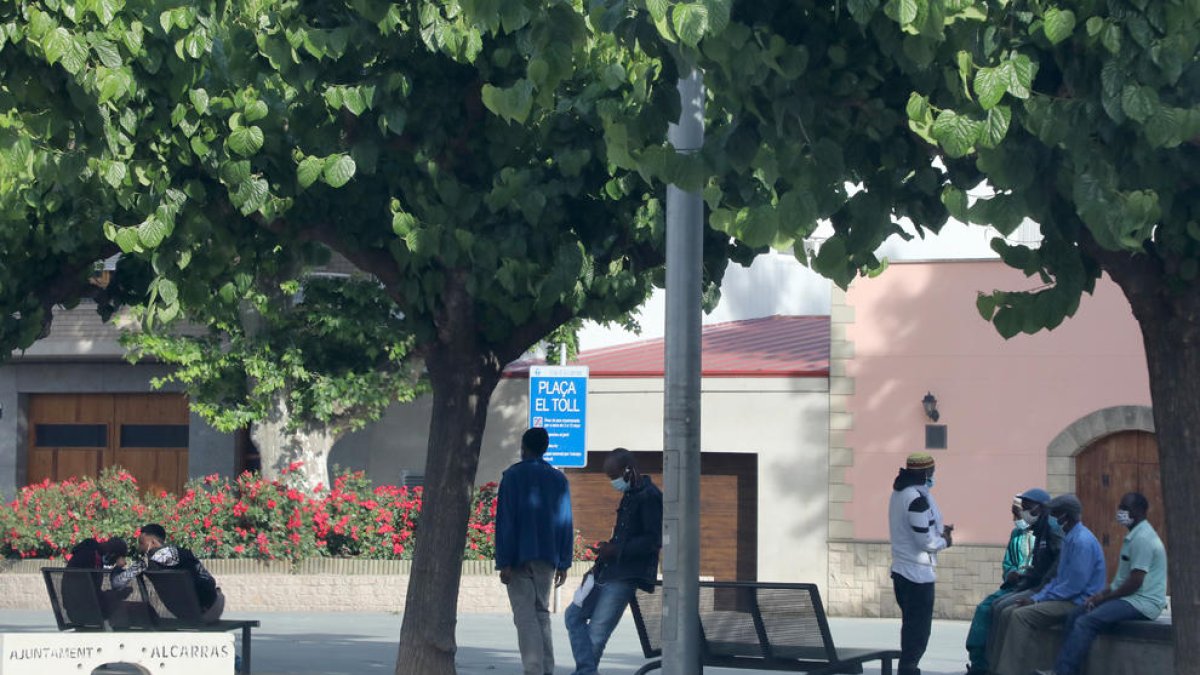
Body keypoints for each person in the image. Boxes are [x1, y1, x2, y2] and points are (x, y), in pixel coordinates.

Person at [1032, 492, 1167, 675]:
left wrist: (1105, 599)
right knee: (1075, 615)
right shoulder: (1134, 536)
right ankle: (1066, 669)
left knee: (1086, 621)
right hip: (1130, 598)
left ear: (1140, 511)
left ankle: (1062, 672)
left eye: (1126, 508)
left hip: (1143, 602)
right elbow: (1121, 580)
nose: (1121, 512)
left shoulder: (1143, 538)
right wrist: (1100, 595)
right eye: (1121, 507)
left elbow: (1135, 582)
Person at [565, 448, 662, 675]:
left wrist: (616, 550)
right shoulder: (630, 494)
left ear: (628, 470)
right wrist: (600, 560)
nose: (613, 482)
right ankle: (587, 672)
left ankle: (584, 673)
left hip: (626, 575)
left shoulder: (650, 497)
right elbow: (621, 537)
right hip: (607, 569)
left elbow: (652, 541)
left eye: (613, 476)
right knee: (573, 616)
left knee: (597, 633)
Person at [991, 494, 1104, 675]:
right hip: (1065, 597)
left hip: (1078, 601)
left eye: (1055, 514)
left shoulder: (1082, 541)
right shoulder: (1071, 538)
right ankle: (995, 668)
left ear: (1065, 516)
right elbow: (1058, 580)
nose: (1052, 519)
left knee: (1020, 616)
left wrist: (1037, 601)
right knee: (1007, 611)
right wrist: (1037, 598)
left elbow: (1073, 587)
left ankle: (1007, 671)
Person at [495, 427, 574, 675]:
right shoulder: (559, 479)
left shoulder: (513, 476)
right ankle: (546, 668)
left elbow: (506, 520)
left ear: (523, 447)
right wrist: (564, 561)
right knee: (542, 613)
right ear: (546, 448)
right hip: (548, 557)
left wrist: (504, 560)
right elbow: (565, 520)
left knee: (525, 616)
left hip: (519, 556)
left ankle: (533, 669)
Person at [889, 452, 952, 675]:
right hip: (917, 575)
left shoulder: (899, 493)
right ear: (925, 472)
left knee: (910, 627)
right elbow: (924, 540)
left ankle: (907, 668)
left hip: (901, 571)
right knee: (918, 632)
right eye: (932, 472)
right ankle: (908, 670)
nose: (933, 476)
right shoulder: (915, 498)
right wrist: (945, 540)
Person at [984, 488, 1059, 669]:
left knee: (1007, 610)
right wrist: (1022, 578)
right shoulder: (1039, 529)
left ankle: (1005, 667)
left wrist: (1037, 592)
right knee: (996, 605)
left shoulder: (1052, 528)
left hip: (1046, 588)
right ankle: (991, 664)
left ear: (1040, 507)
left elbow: (1057, 565)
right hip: (1032, 584)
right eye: (1022, 508)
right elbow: (1037, 566)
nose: (1024, 513)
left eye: (1027, 507)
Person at [962, 495, 1035, 673]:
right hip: (1014, 585)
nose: (1015, 519)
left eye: (1018, 514)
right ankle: (978, 662)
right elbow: (1008, 563)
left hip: (1031, 586)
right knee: (984, 608)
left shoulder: (1043, 534)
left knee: (1002, 610)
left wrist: (1027, 574)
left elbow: (1044, 567)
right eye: (1014, 515)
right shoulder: (1016, 534)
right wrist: (1011, 573)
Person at [112, 523, 225, 622]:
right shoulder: (183, 553)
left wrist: (118, 567)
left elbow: (117, 583)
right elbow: (208, 581)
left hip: (186, 614)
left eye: (141, 543)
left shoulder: (146, 562)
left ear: (153, 542)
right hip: (213, 605)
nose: (139, 547)